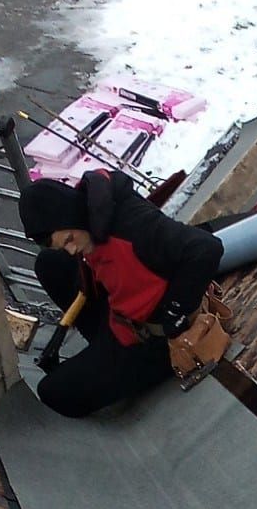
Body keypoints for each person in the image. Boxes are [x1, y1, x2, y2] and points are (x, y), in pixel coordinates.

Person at [17, 171, 224, 417]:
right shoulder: (90, 219)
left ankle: (108, 364)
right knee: (49, 263)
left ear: (70, 214)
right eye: (65, 244)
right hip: (122, 310)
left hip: (152, 340)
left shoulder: (134, 228)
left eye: (70, 239)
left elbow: (207, 248)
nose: (72, 249)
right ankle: (99, 350)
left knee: (52, 392)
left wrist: (174, 317)